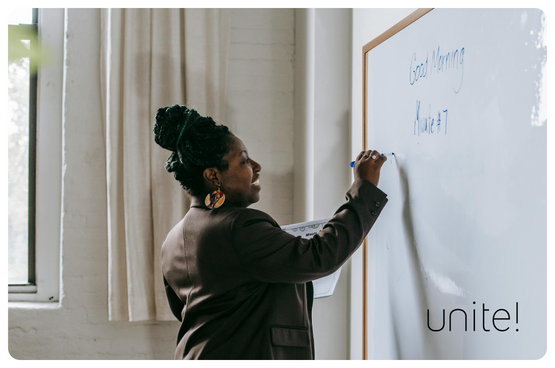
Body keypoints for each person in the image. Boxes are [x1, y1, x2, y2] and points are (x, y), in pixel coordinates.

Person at [153, 104, 388, 360]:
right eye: (243, 160)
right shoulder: (239, 226)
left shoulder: (172, 240)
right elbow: (319, 256)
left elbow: (194, 310)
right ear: (213, 175)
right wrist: (362, 189)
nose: (256, 166)